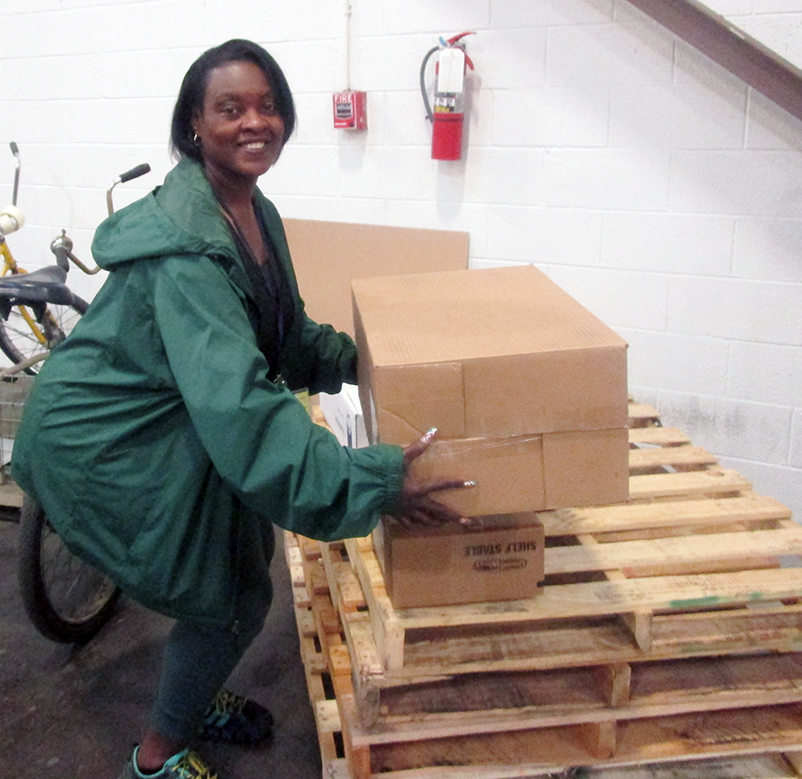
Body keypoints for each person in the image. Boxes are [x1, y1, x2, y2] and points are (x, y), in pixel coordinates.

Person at [11, 39, 469, 779]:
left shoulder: (251, 210)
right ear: (194, 123)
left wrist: (360, 358)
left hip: (168, 415)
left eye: (267, 106)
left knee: (228, 570)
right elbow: (244, 410)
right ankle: (156, 757)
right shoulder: (191, 250)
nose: (255, 122)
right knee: (229, 592)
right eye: (230, 108)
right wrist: (372, 483)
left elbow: (278, 331)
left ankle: (188, 693)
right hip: (109, 440)